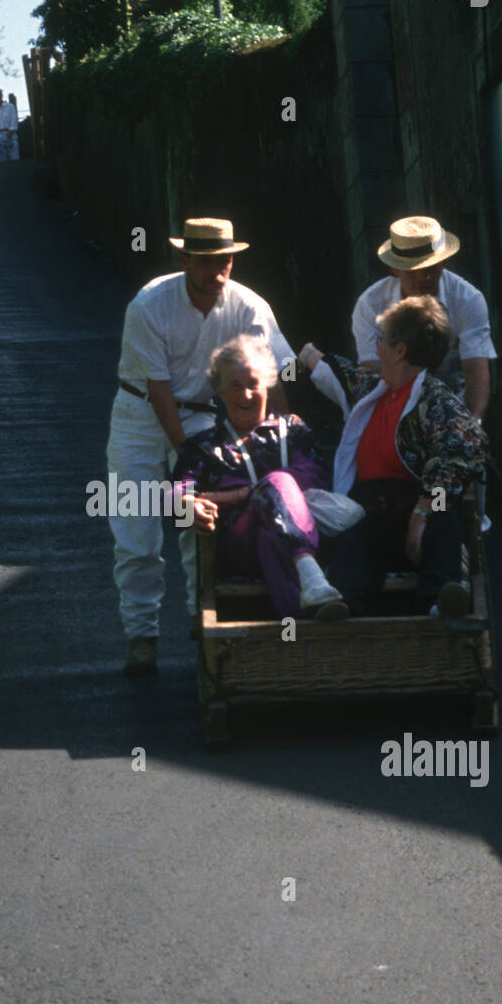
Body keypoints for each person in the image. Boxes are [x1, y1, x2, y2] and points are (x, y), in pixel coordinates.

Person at [108, 217, 294, 677]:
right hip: (138, 415)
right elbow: (158, 389)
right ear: (185, 259)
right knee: (137, 533)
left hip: (202, 416)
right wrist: (188, 462)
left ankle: (202, 626)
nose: (218, 270)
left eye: (225, 260)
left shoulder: (249, 307)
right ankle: (141, 637)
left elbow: (275, 376)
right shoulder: (149, 305)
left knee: (198, 525)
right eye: (207, 260)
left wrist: (283, 440)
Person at [299, 295, 487, 616]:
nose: (376, 350)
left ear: (400, 350)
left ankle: (441, 605)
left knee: (443, 525)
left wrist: (423, 511)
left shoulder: (436, 400)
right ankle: (343, 612)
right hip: (370, 513)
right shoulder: (371, 388)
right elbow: (338, 370)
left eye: (382, 341)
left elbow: (468, 445)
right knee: (352, 545)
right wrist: (307, 355)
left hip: (416, 510)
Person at [172, 336, 347, 621]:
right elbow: (175, 495)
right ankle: (311, 577)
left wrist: (241, 494)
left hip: (303, 536)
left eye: (253, 383)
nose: (246, 395)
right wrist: (187, 504)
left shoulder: (293, 431)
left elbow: (315, 478)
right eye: (235, 386)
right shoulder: (203, 446)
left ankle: (304, 627)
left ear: (267, 384)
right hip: (240, 548)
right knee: (276, 484)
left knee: (273, 532)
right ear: (219, 391)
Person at [351, 216, 495, 422]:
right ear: (395, 269)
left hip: (457, 405)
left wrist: (473, 424)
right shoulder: (369, 305)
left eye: (430, 268)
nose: (422, 277)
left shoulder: (468, 299)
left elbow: (475, 367)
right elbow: (373, 372)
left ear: (443, 262)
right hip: (394, 409)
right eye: (413, 270)